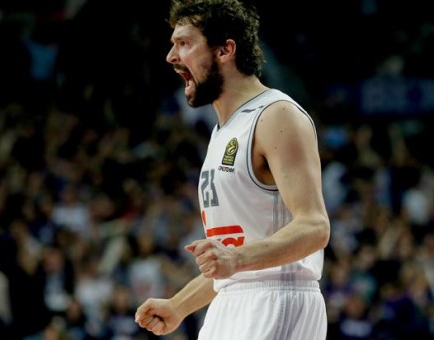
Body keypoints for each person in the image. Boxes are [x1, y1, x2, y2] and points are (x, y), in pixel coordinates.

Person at [134, 0, 331, 339]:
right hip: (231, 301)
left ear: (225, 50)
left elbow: (315, 227)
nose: (171, 56)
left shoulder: (275, 115)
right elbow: (233, 255)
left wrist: (236, 260)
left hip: (277, 299)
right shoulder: (222, 131)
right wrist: (179, 305)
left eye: (183, 43)